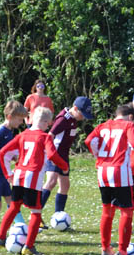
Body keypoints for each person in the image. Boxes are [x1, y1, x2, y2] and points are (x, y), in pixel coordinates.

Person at [0, 107, 69, 255]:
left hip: (19, 175)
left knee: (14, 207)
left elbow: (3, 152)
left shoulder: (22, 135)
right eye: (48, 124)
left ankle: (0, 238)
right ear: (46, 122)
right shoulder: (45, 137)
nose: (48, 127)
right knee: (36, 212)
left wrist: (8, 173)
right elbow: (53, 155)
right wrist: (64, 167)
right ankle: (29, 247)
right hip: (32, 177)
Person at [85, 104, 134, 255]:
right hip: (120, 171)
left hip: (102, 171)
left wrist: (97, 155)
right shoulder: (129, 125)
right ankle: (122, 252)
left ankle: (106, 248)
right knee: (126, 212)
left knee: (107, 211)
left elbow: (89, 140)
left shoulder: (103, 126)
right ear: (130, 117)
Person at [39, 97, 94, 227]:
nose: (83, 118)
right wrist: (50, 154)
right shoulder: (63, 119)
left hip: (64, 155)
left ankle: (59, 215)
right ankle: (36, 214)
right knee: (51, 181)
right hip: (55, 154)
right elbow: (49, 136)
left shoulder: (73, 119)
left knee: (65, 185)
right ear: (75, 108)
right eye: (82, 114)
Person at [0, 101, 28, 246]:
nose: (21, 122)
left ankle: (22, 228)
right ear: (9, 116)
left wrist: (14, 157)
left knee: (11, 201)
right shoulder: (0, 131)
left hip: (2, 172)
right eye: (20, 119)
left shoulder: (9, 131)